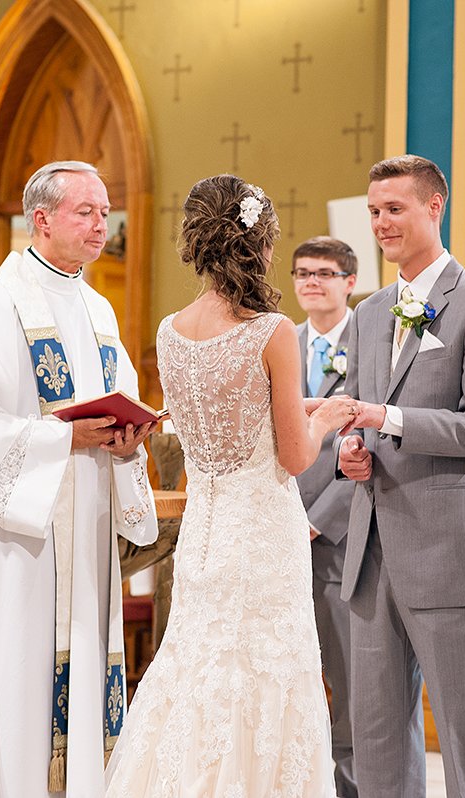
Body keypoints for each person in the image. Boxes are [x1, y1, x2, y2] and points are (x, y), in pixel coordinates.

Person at [106, 174, 359, 797]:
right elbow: (295, 457)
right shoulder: (269, 330)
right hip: (265, 534)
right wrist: (325, 415)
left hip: (205, 532)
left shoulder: (171, 331)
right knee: (265, 676)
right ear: (260, 242)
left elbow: (215, 422)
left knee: (198, 670)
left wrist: (289, 409)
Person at [0, 160, 160, 797]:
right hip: (20, 544)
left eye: (104, 212)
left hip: (85, 530)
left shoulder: (98, 310)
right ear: (41, 219)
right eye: (85, 212)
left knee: (85, 680)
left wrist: (125, 443)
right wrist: (62, 436)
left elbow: (117, 397)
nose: (101, 225)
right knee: (19, 686)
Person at [337, 154, 465, 797]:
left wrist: (387, 417)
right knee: (378, 738)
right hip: (371, 551)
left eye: (394, 209)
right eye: (374, 212)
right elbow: (356, 419)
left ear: (433, 207)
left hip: (449, 551)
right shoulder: (367, 314)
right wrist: (350, 449)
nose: (382, 223)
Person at [291, 235, 360, 798]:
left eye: (325, 273)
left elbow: (374, 450)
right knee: (291, 678)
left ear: (349, 282)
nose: (312, 282)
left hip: (342, 540)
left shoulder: (369, 346)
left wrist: (317, 520)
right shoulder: (278, 345)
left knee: (349, 681)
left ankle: (352, 788)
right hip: (280, 536)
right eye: (303, 273)